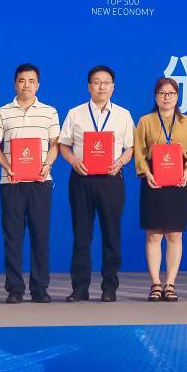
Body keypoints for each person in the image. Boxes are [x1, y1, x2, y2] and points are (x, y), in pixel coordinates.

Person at [58, 65, 135, 302]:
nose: (102, 87)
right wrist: (73, 161)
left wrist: (120, 162)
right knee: (82, 235)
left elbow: (131, 147)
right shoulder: (75, 113)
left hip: (111, 180)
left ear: (113, 87)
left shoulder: (123, 114)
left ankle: (109, 288)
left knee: (112, 235)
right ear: (89, 86)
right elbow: (63, 145)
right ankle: (79, 288)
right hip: (82, 179)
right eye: (97, 82)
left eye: (106, 82)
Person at [0, 63, 60, 304]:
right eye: (21, 80)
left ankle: (40, 288)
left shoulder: (50, 112)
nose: (26, 85)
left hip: (40, 181)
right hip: (11, 182)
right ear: (14, 84)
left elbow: (55, 144)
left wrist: (47, 165)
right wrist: (7, 166)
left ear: (38, 85)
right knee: (13, 237)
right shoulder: (2, 112)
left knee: (41, 237)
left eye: (31, 81)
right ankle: (15, 289)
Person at [134, 77, 187, 303]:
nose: (166, 97)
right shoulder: (145, 121)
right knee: (154, 234)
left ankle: (170, 284)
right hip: (153, 180)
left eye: (171, 93)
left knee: (174, 234)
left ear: (177, 97)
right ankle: (155, 283)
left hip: (179, 180)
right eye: (162, 93)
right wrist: (146, 173)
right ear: (155, 96)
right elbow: (139, 151)